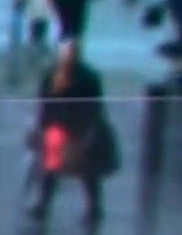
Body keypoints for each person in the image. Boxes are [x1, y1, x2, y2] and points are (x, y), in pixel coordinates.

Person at [28, 40, 118, 224]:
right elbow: (44, 105)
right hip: (57, 126)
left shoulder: (88, 77)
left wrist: (91, 129)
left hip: (80, 126)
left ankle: (94, 208)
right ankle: (43, 204)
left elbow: (95, 106)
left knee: (87, 170)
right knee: (50, 167)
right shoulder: (51, 75)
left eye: (72, 52)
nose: (69, 56)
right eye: (66, 52)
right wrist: (41, 127)